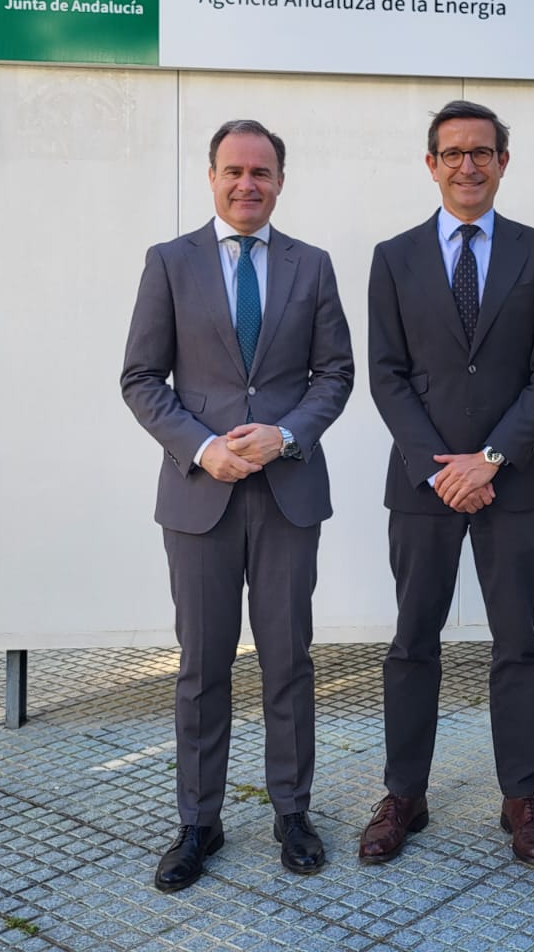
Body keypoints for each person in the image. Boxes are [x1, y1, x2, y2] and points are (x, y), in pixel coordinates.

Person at [121, 119, 354, 891]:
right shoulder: (169, 263)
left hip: (287, 497)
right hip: (200, 499)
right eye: (233, 171)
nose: (247, 184)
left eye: (261, 171)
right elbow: (142, 379)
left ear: (280, 180)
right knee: (202, 667)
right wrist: (201, 446)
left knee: (289, 661)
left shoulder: (312, 266)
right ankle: (199, 821)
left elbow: (335, 375)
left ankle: (292, 810)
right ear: (212, 176)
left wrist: (286, 435)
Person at [360, 99, 534, 868]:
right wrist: (442, 467)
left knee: (516, 646)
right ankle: (404, 795)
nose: (467, 165)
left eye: (481, 152)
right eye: (451, 153)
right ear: (431, 165)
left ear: (503, 163)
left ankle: (521, 798)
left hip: (512, 482)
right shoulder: (394, 255)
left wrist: (491, 459)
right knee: (412, 643)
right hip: (422, 486)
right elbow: (386, 376)